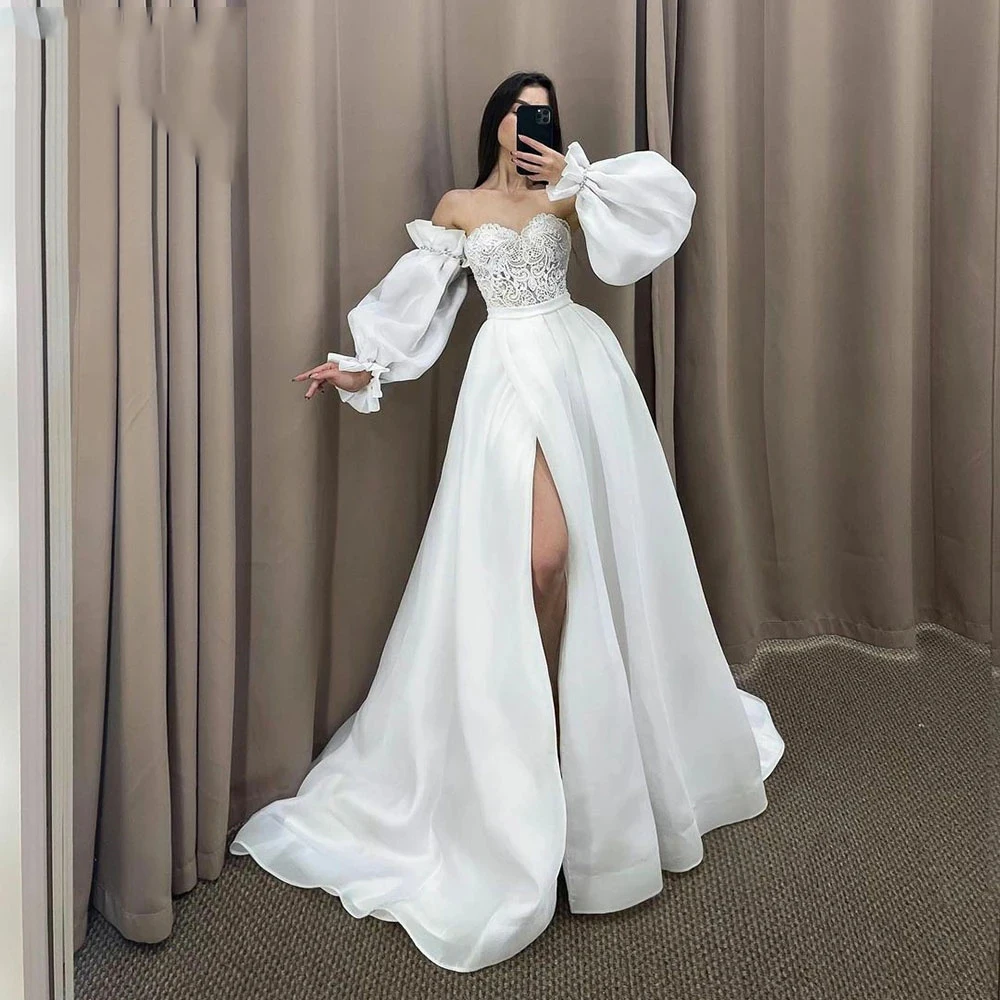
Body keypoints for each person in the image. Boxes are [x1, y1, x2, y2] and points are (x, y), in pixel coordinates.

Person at [230, 71, 785, 974]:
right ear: (494, 122)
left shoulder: (568, 192)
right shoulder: (459, 207)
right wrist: (363, 366)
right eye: (520, 112)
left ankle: (579, 732)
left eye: (543, 113)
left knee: (568, 561)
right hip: (504, 379)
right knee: (536, 562)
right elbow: (425, 303)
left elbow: (663, 207)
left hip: (578, 371)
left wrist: (579, 175)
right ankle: (532, 738)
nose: (531, 124)